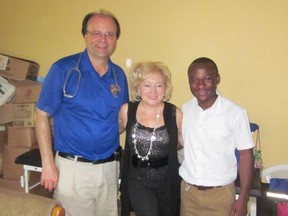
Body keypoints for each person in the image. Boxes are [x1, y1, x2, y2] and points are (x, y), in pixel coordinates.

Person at [35, 10, 129, 216]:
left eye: (109, 34)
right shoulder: (64, 69)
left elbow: (120, 120)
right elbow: (41, 115)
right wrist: (48, 164)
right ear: (85, 35)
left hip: (109, 168)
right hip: (73, 169)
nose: (103, 39)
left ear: (116, 39)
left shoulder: (119, 75)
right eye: (96, 33)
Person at [179, 57, 255, 216]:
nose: (200, 85)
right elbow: (180, 141)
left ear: (217, 79)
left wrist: (243, 198)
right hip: (189, 194)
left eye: (206, 79)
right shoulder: (185, 110)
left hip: (221, 197)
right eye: (194, 80)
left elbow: (246, 155)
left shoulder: (235, 113)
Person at [118, 62, 183, 216]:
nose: (153, 91)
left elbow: (181, 142)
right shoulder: (127, 110)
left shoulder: (175, 113)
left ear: (165, 88)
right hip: (137, 181)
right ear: (137, 88)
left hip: (167, 181)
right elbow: (110, 133)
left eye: (159, 85)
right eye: (147, 85)